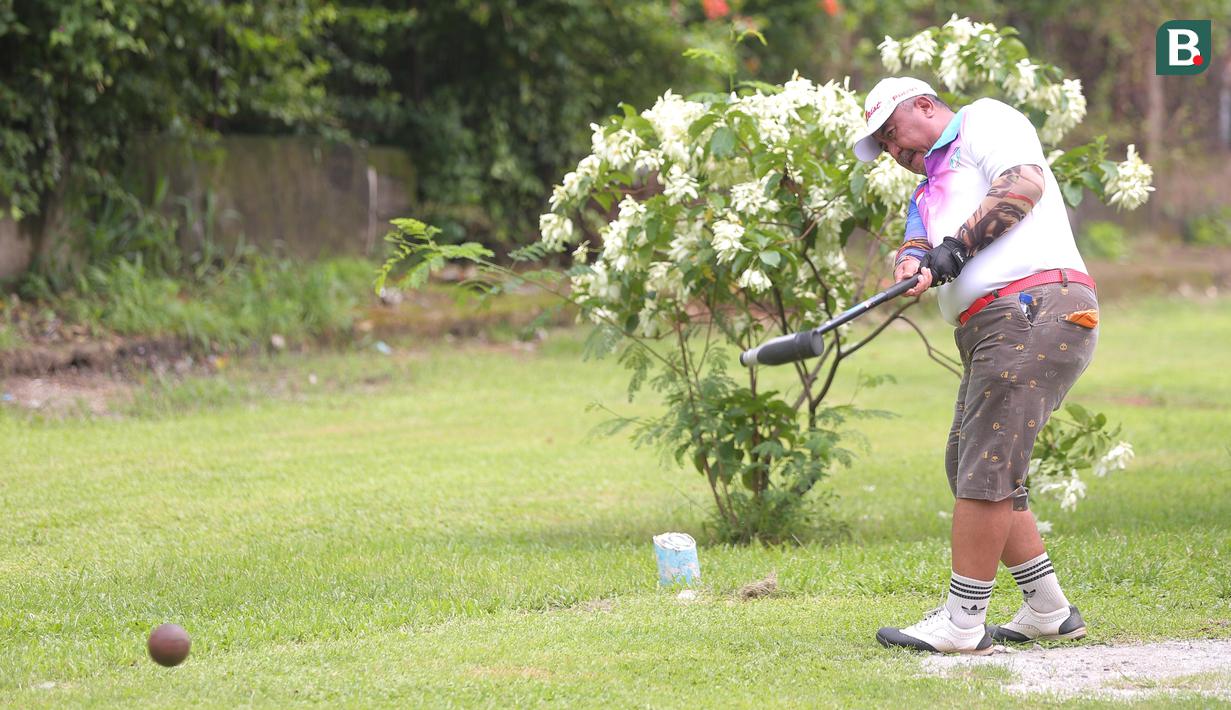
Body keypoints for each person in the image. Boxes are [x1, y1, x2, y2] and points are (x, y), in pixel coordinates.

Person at [851, 77, 1101, 654]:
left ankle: (963, 622)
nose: (893, 150)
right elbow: (917, 244)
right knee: (969, 461)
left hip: (1034, 307)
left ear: (924, 105)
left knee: (985, 467)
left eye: (893, 132)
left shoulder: (986, 121)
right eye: (884, 146)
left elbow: (1023, 185)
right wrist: (913, 263)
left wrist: (955, 251)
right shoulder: (931, 191)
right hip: (994, 324)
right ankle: (1048, 608)